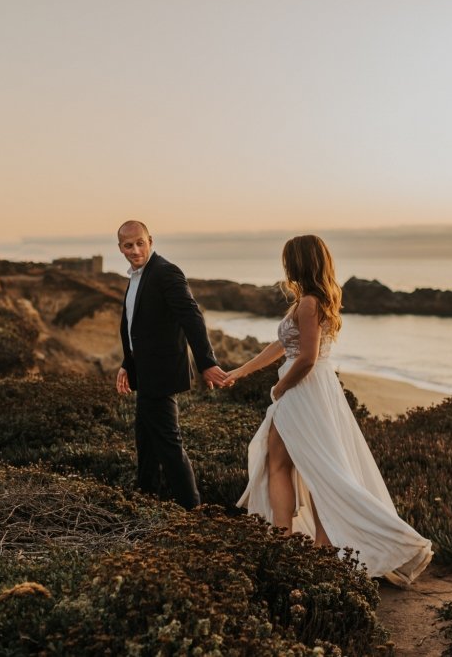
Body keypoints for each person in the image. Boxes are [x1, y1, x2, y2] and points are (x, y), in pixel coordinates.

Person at [226, 235, 433, 586]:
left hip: (303, 390)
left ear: (299, 262)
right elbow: (282, 345)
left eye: (288, 260)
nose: (285, 266)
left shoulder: (309, 303)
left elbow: (306, 358)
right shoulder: (313, 300)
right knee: (303, 465)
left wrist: (281, 387)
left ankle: (295, 542)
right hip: (316, 390)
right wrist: (242, 371)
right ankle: (307, 543)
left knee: (292, 465)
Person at [115, 220, 228, 509]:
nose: (135, 250)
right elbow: (135, 327)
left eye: (140, 243)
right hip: (145, 372)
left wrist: (206, 363)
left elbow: (191, 316)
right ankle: (145, 502)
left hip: (162, 374)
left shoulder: (166, 272)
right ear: (120, 248)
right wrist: (128, 363)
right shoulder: (137, 276)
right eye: (128, 245)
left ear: (150, 241)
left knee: (168, 445)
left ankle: (193, 510)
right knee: (147, 444)